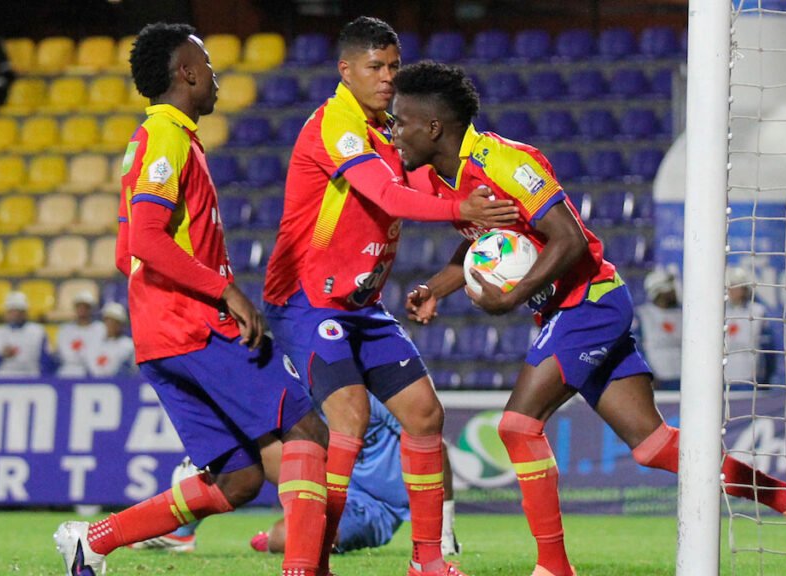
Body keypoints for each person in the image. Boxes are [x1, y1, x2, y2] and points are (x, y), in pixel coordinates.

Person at [394, 61, 786, 574]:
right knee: (653, 446)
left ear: (432, 127)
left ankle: (554, 566)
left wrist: (511, 299)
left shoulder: (505, 163)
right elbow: (482, 248)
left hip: (591, 302)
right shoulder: (442, 181)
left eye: (400, 121)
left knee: (516, 426)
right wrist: (435, 288)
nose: (393, 132)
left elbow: (570, 238)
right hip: (566, 311)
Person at [52, 23, 329, 576]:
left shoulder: (154, 139)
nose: (215, 74)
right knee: (307, 430)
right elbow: (150, 240)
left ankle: (94, 541)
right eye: (208, 63)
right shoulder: (167, 139)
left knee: (239, 478)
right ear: (187, 72)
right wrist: (223, 289)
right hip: (196, 326)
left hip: (160, 337)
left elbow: (126, 251)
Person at [261, 16, 517, 576]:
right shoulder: (336, 125)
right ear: (345, 70)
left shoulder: (387, 130)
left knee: (424, 414)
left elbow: (421, 184)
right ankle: (313, 557)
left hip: (360, 306)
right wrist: (461, 210)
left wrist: (476, 207)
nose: (386, 77)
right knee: (349, 419)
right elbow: (388, 195)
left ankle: (427, 560)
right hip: (308, 301)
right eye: (375, 67)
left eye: (394, 66)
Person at [132, 392, 463, 557]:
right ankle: (180, 533)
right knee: (244, 441)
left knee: (285, 540)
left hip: (373, 506)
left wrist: (443, 531)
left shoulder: (369, 395)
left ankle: (298, 531)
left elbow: (436, 447)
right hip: (326, 479)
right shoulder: (299, 392)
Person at [724, 266, 774, 387]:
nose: (733, 291)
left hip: (749, 375)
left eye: (737, 287)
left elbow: (768, 347)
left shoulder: (758, 311)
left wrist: (765, 377)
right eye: (731, 287)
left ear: (744, 289)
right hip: (725, 376)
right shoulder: (722, 312)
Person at [0, 291, 55, 377]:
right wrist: (1, 355)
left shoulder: (37, 331)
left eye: (19, 311)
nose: (15, 315)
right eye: (11, 311)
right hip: (4, 376)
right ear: (6, 313)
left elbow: (46, 361)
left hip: (30, 376)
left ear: (25, 312)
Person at [634, 268, 682, 389]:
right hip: (658, 380)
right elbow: (636, 349)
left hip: (682, 378)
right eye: (670, 288)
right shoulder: (642, 315)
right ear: (659, 291)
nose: (674, 291)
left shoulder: (683, 314)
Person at [55, 291, 106, 378]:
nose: (82, 310)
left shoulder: (100, 328)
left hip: (93, 369)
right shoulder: (65, 330)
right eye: (79, 306)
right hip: (69, 369)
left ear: (91, 309)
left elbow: (101, 349)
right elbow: (65, 354)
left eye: (86, 307)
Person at [82, 302, 136, 378]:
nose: (111, 325)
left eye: (115, 322)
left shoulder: (128, 345)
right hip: (93, 384)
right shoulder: (94, 343)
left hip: (119, 384)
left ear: (122, 324)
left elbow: (132, 371)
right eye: (108, 321)